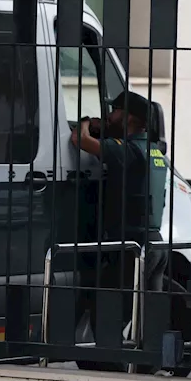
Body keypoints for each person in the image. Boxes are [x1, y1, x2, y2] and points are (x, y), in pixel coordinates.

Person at [69, 90, 169, 354]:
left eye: (114, 111)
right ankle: (153, 365)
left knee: (110, 310)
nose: (109, 115)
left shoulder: (127, 151)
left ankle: (109, 364)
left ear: (129, 118)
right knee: (149, 317)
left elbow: (79, 139)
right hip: (156, 244)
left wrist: (86, 121)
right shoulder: (155, 151)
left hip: (131, 247)